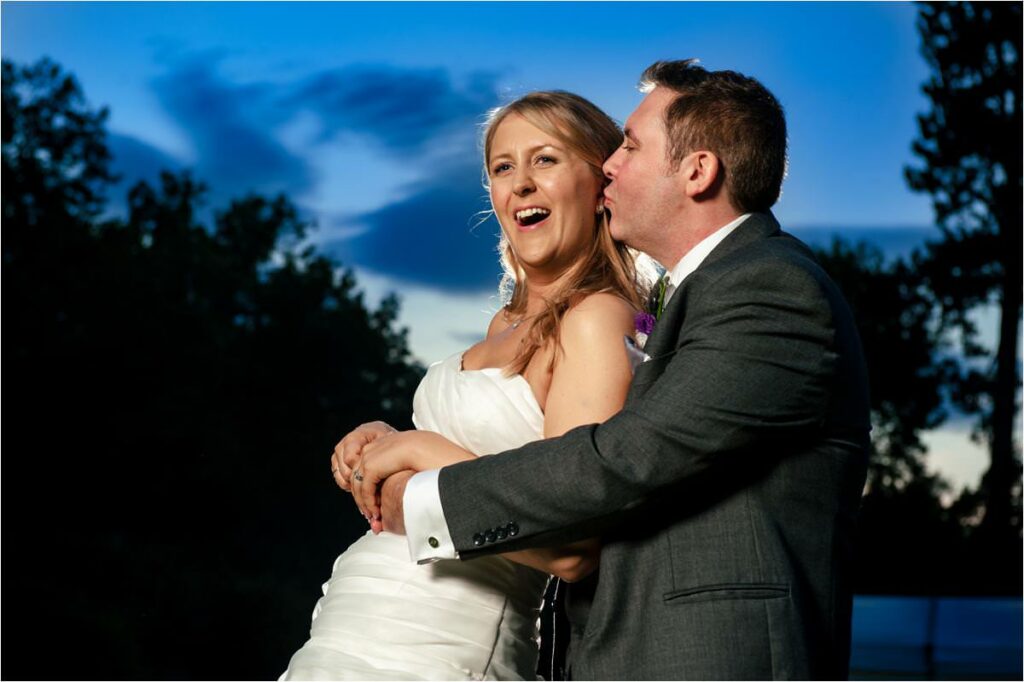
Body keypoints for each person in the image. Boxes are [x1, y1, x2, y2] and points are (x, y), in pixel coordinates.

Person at [347, 60, 871, 680]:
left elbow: (623, 459)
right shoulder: (694, 298)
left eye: (630, 144)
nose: (611, 166)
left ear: (698, 171)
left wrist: (424, 481)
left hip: (712, 656)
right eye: (502, 166)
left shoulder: (771, 287)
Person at [280, 90, 652, 680]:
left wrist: (420, 452)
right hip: (358, 620)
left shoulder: (596, 318)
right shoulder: (504, 323)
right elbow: (481, 451)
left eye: (546, 159)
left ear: (599, 181)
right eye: (504, 167)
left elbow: (571, 542)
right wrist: (385, 442)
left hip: (442, 645)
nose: (521, 183)